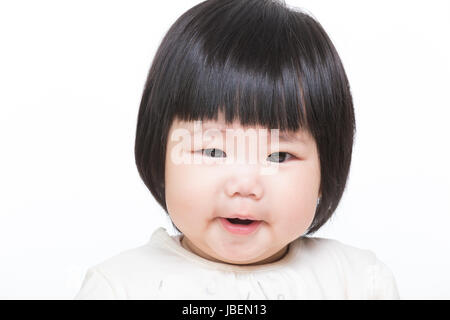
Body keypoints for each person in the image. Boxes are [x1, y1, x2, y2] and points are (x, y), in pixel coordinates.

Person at [75, 0, 400, 299]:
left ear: (327, 168)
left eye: (278, 156)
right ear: (158, 153)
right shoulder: (120, 287)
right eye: (213, 152)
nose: (245, 185)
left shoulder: (358, 283)